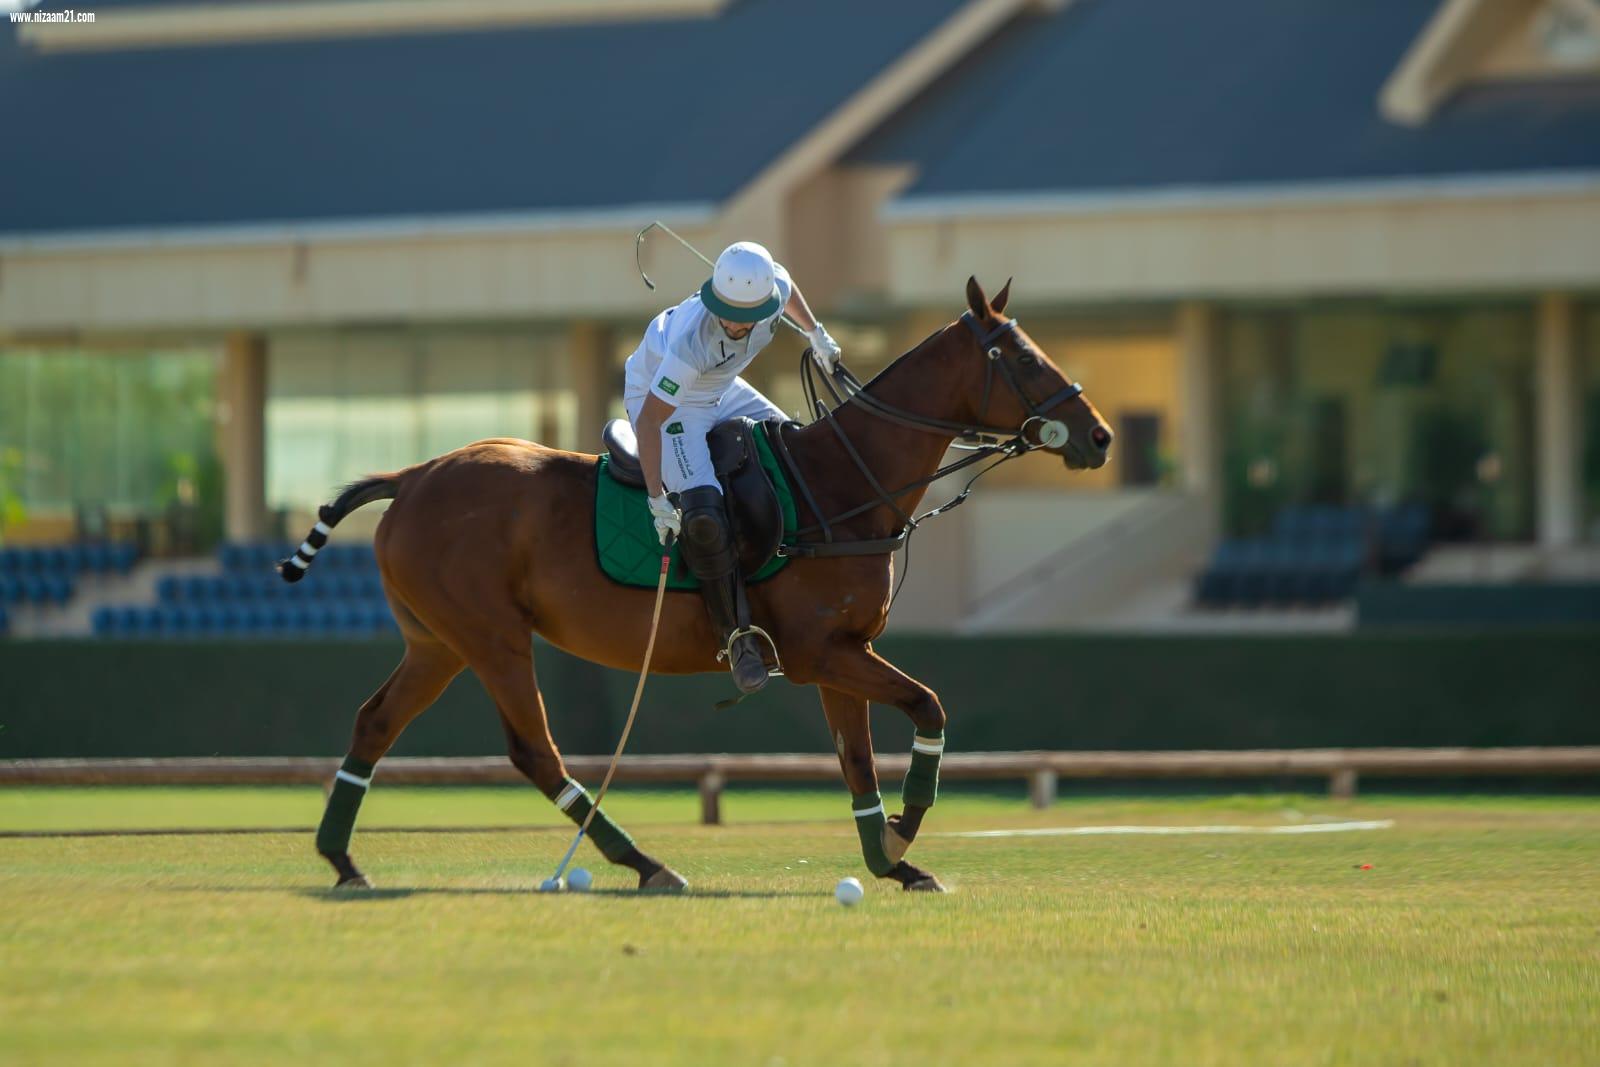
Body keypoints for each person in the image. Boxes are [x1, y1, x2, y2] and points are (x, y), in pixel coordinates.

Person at [622, 240, 841, 694]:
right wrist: (658, 499)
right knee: (704, 519)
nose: (734, 322)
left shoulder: (770, 293)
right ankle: (737, 638)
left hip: (721, 387)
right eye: (725, 309)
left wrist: (815, 333)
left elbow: (785, 278)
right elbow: (649, 421)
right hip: (668, 402)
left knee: (795, 451)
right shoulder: (690, 343)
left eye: (744, 313)